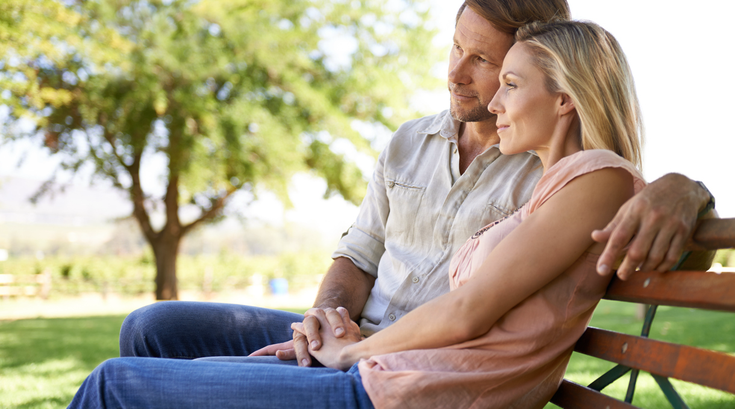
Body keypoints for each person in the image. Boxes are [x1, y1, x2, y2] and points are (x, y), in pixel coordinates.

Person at [70, 17, 647, 408]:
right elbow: (362, 252)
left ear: (565, 97)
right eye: (456, 48)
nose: (487, 96)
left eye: (505, 78)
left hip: (402, 382)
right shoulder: (558, 176)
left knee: (113, 387)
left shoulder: (587, 178)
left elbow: (470, 310)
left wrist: (352, 352)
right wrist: (324, 327)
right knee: (149, 333)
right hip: (386, 367)